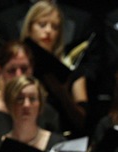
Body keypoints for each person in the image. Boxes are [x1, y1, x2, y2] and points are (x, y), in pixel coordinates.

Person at [0, 40, 60, 141]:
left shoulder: (47, 111)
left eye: (24, 69)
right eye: (11, 70)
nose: (19, 76)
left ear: (32, 68)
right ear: (0, 70)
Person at [19, 1, 88, 134]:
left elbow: (82, 120)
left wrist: (62, 92)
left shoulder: (72, 71)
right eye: (42, 25)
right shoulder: (18, 67)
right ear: (29, 27)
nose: (48, 31)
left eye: (55, 27)